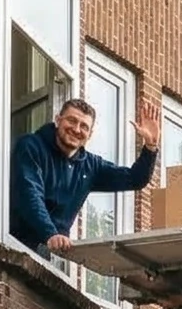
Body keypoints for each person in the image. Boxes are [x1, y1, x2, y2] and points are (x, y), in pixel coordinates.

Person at [10, 94, 160, 255]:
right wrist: (51, 233)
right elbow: (30, 193)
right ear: (58, 120)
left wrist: (150, 146)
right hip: (14, 244)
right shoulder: (31, 146)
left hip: (50, 251)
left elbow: (135, 179)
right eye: (72, 120)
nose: (76, 129)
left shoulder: (90, 166)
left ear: (90, 134)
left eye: (84, 126)